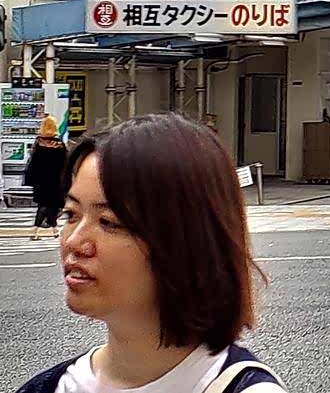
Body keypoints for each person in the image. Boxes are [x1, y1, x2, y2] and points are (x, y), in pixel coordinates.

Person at [16, 114, 284, 393]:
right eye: (71, 214)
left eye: (108, 222)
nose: (73, 241)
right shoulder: (52, 386)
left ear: (188, 239)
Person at [24, 116, 68, 241]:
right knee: (53, 205)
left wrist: (31, 179)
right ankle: (51, 230)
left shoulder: (38, 143)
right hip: (55, 181)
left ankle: (46, 230)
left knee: (43, 205)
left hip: (40, 181)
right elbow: (65, 164)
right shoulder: (59, 144)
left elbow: (33, 162)